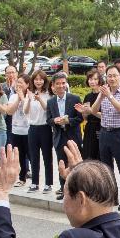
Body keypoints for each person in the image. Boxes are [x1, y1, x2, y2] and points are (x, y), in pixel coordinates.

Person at [95, 66, 120, 211]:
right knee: (106, 168)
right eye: (109, 76)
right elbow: (94, 111)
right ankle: (111, 196)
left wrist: (110, 96)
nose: (111, 78)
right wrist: (100, 96)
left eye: (114, 75)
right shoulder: (103, 92)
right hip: (105, 133)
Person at [47, 73, 82, 201]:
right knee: (61, 164)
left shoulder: (75, 98)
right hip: (59, 137)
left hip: (73, 137)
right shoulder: (51, 102)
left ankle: (77, 190)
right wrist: (54, 121)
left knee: (75, 164)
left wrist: (68, 121)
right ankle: (64, 189)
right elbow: (48, 120)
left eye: (63, 83)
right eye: (58, 84)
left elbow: (80, 118)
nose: (61, 86)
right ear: (53, 86)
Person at [24, 70, 52, 193]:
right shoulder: (29, 93)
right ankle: (34, 183)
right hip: (33, 128)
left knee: (47, 157)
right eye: (36, 79)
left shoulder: (49, 94)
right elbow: (25, 111)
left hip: (45, 128)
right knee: (34, 157)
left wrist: (39, 98)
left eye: (41, 79)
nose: (38, 81)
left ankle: (48, 184)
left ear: (44, 80)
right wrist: (30, 99)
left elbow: (47, 108)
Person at [7, 76, 32, 187]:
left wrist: (23, 98)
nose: (18, 85)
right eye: (17, 82)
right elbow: (10, 112)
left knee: (31, 156)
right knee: (20, 156)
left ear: (27, 84)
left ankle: (35, 179)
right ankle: (22, 178)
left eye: (21, 83)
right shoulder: (12, 97)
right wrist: (18, 98)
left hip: (29, 131)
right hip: (16, 130)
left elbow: (28, 111)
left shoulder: (31, 96)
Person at [78, 69, 102, 161]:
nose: (92, 82)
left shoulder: (103, 95)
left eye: (95, 79)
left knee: (99, 156)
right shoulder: (88, 96)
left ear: (99, 80)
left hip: (100, 127)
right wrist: (83, 112)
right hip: (89, 128)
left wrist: (91, 111)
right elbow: (85, 117)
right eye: (90, 79)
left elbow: (105, 115)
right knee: (88, 155)